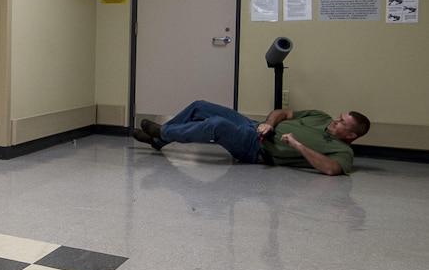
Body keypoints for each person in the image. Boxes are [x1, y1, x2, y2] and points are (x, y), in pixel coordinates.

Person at [132, 100, 370, 176]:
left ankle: (162, 133)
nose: (335, 121)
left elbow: (332, 170)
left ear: (350, 135)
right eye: (339, 117)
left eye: (341, 124)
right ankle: (160, 140)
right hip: (253, 127)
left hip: (255, 148)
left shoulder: (343, 152)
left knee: (216, 125)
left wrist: (298, 144)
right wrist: (269, 122)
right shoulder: (320, 116)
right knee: (200, 106)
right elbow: (283, 112)